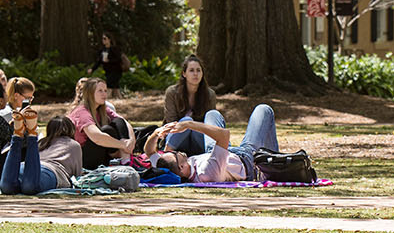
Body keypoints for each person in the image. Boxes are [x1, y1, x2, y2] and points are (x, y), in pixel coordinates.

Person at [144, 103, 281, 183]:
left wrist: (157, 133)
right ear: (181, 167)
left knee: (212, 114)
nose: (177, 151)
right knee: (264, 110)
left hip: (215, 152)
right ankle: (276, 164)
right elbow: (224, 135)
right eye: (175, 154)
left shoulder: (168, 169)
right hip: (248, 158)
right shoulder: (207, 172)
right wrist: (189, 125)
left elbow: (149, 150)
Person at [0, 113, 85, 195]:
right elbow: (77, 175)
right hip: (50, 171)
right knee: (29, 188)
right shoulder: (74, 145)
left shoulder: (42, 142)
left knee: (7, 188)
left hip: (24, 167)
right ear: (71, 129)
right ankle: (32, 133)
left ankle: (17, 136)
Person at [69, 77, 135, 169]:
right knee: (107, 130)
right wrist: (123, 145)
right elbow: (97, 137)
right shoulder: (81, 112)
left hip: (100, 154)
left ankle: (126, 161)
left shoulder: (101, 109)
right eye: (100, 91)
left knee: (118, 121)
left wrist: (131, 140)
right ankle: (124, 161)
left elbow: (124, 122)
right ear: (90, 93)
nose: (104, 94)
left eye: (105, 90)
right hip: (82, 159)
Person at [162, 55, 218, 156]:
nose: (195, 74)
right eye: (191, 70)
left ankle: (213, 156)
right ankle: (167, 154)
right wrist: (187, 124)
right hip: (177, 139)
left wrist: (192, 126)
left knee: (209, 115)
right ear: (184, 74)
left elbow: (210, 125)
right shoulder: (172, 92)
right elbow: (171, 121)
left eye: (198, 70)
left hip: (199, 139)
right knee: (186, 121)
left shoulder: (210, 95)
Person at [88, 32, 128, 98]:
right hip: (108, 71)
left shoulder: (115, 49)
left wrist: (109, 61)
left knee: (109, 85)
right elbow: (99, 61)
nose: (103, 40)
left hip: (116, 70)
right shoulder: (102, 50)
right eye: (102, 39)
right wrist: (92, 69)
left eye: (105, 39)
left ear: (109, 39)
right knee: (115, 87)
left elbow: (118, 59)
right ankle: (119, 98)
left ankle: (106, 99)